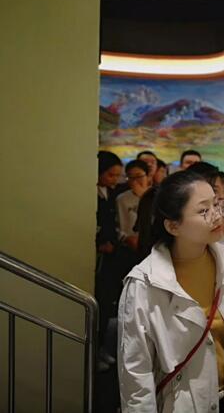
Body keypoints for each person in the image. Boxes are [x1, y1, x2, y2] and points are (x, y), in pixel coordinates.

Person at [118, 170, 224, 412]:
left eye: (216, 204)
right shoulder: (145, 283)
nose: (217, 215)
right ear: (173, 226)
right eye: (203, 210)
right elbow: (136, 372)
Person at [96, 151, 123, 370]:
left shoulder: (112, 193)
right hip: (99, 254)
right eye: (111, 175)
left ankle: (101, 348)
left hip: (111, 254)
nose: (115, 180)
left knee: (106, 304)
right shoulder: (91, 193)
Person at [116, 160, 150, 252]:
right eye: (130, 177)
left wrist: (143, 196)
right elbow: (115, 225)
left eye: (139, 176)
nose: (135, 181)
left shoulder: (156, 196)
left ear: (148, 176)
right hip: (128, 245)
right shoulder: (121, 199)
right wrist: (126, 238)